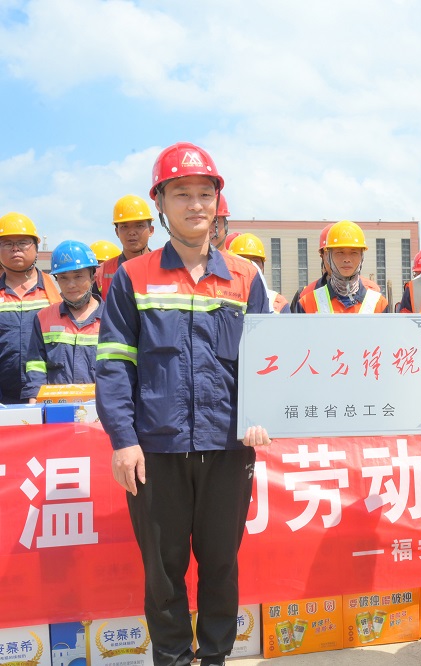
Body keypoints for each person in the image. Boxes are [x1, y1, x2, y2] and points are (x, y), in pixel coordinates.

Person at [95, 141, 271, 666]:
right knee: (163, 571)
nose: (195, 204)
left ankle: (215, 657)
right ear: (161, 204)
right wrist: (124, 440)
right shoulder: (133, 277)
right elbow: (114, 365)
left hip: (227, 448)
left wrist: (261, 415)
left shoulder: (245, 277)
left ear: (218, 202)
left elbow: (267, 363)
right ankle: (171, 658)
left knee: (221, 565)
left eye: (204, 194)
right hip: (157, 451)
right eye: (181, 194)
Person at [23, 241, 104, 402]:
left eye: (78, 276)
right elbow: (36, 365)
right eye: (63, 278)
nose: (71, 285)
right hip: (57, 408)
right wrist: (34, 397)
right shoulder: (43, 318)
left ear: (93, 277)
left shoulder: (112, 318)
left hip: (101, 408)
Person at [0, 212, 61, 404]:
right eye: (7, 243)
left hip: (49, 393)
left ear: (36, 248)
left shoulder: (57, 287)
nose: (15, 248)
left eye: (23, 242)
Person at [293, 220, 388, 314]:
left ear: (362, 256)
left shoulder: (378, 303)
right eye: (339, 252)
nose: (347, 259)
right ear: (327, 256)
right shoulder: (306, 303)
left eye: (354, 252)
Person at [96, 194, 156, 297]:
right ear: (117, 232)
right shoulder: (101, 273)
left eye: (139, 225)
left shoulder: (165, 268)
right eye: (124, 227)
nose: (131, 232)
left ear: (151, 230)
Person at [229, 233, 290, 313]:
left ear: (263, 267)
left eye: (255, 261)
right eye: (243, 260)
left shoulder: (278, 303)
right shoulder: (224, 297)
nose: (250, 266)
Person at [288, 223, 334, 312]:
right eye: (331, 253)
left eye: (351, 252)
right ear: (322, 255)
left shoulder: (365, 293)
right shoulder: (304, 294)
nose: (343, 259)